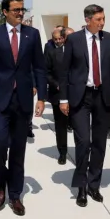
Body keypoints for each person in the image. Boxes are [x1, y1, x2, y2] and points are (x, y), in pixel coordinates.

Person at [0, 0, 46, 217]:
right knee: (0, 144)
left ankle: (15, 194)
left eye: (22, 9)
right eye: (15, 10)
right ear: (5, 11)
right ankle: (0, 182)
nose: (20, 13)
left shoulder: (32, 35)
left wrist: (42, 97)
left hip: (23, 99)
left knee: (18, 149)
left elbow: (39, 68)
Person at [58, 4, 110, 207]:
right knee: (83, 142)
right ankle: (81, 187)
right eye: (98, 19)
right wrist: (63, 99)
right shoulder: (74, 39)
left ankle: (94, 184)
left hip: (102, 96)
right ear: (88, 20)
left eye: (103, 19)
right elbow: (64, 70)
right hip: (80, 96)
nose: (102, 23)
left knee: (99, 144)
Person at [43, 27, 69, 164]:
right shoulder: (51, 52)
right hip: (57, 94)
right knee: (60, 126)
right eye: (55, 39)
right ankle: (62, 152)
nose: (58, 41)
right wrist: (55, 84)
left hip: (75, 94)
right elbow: (46, 72)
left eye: (60, 38)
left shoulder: (75, 52)